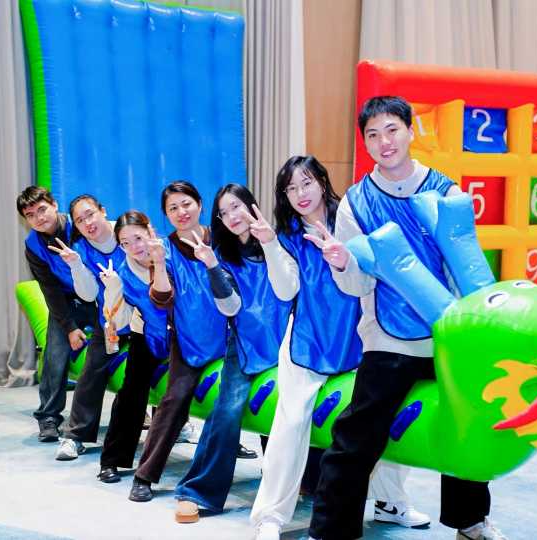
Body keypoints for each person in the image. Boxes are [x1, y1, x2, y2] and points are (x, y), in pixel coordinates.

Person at [307, 97, 506, 540]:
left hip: (447, 335)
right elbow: (356, 285)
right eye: (373, 134)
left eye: (392, 129)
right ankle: (331, 530)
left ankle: (470, 521)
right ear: (365, 143)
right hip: (389, 337)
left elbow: (464, 266)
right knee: (358, 434)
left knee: (469, 421)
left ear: (410, 131)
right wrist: (342, 262)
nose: (384, 142)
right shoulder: (356, 203)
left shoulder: (446, 192)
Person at [249, 156, 430, 540]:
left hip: (361, 336)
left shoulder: (351, 219)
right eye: (291, 188)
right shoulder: (288, 237)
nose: (300, 193)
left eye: (306, 183)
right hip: (308, 339)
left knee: (383, 417)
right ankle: (270, 516)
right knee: (290, 423)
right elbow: (285, 290)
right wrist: (269, 245)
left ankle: (390, 501)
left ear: (322, 182)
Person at [129, 181, 257, 502]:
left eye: (186, 204)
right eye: (172, 208)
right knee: (175, 399)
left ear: (199, 204)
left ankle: (291, 476)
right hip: (189, 340)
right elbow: (161, 298)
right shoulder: (165, 248)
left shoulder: (222, 238)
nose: (181, 212)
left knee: (259, 393)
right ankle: (145, 474)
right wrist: (158, 263)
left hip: (233, 338)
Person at [172, 184, 292, 523]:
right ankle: (199, 491)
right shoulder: (221, 255)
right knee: (226, 411)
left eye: (236, 206)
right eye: (223, 213)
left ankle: (303, 482)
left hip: (287, 340)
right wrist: (212, 266)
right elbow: (230, 307)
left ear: (251, 205)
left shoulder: (279, 240)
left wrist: (271, 244)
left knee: (295, 412)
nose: (231, 216)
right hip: (244, 344)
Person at [90, 211, 171, 483]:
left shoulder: (172, 253)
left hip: (185, 335)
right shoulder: (123, 271)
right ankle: (112, 459)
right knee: (132, 391)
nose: (134, 247)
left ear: (150, 231)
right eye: (125, 243)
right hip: (144, 332)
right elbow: (121, 321)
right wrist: (113, 287)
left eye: (138, 238)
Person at [47, 194, 127, 461]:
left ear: (103, 211)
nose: (88, 223)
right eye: (80, 220)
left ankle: (180, 424)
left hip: (146, 319)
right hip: (110, 323)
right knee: (92, 369)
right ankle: (75, 437)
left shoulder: (126, 231)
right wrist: (76, 266)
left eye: (90, 214)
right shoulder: (79, 250)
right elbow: (89, 294)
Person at [17, 186, 97, 443]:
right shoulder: (33, 245)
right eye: (30, 215)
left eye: (42, 209)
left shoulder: (80, 226)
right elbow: (49, 289)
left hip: (99, 298)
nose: (39, 218)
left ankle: (140, 411)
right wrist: (70, 327)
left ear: (54, 205)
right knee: (54, 353)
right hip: (66, 302)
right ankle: (48, 417)